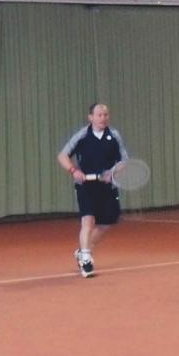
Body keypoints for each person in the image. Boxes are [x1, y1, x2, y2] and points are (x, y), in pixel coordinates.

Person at [56, 103, 128, 278]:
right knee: (88, 220)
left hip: (107, 186)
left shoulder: (114, 135)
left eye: (106, 115)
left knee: (106, 224)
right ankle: (86, 261)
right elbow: (62, 156)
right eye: (99, 115)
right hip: (85, 186)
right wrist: (74, 171)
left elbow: (124, 161)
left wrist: (112, 173)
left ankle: (83, 250)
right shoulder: (82, 135)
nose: (103, 118)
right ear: (91, 118)